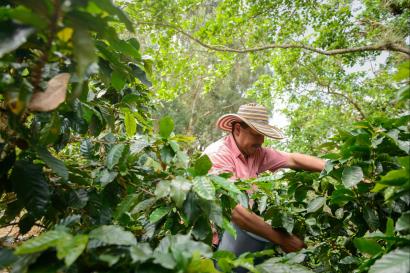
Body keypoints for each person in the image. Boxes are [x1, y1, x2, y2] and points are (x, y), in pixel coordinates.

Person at [204, 103, 325, 269]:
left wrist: (336, 167)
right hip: (208, 246)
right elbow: (235, 211)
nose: (261, 141)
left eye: (263, 135)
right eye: (257, 134)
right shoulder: (218, 155)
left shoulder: (255, 153)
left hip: (234, 241)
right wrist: (283, 240)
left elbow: (292, 159)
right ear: (238, 129)